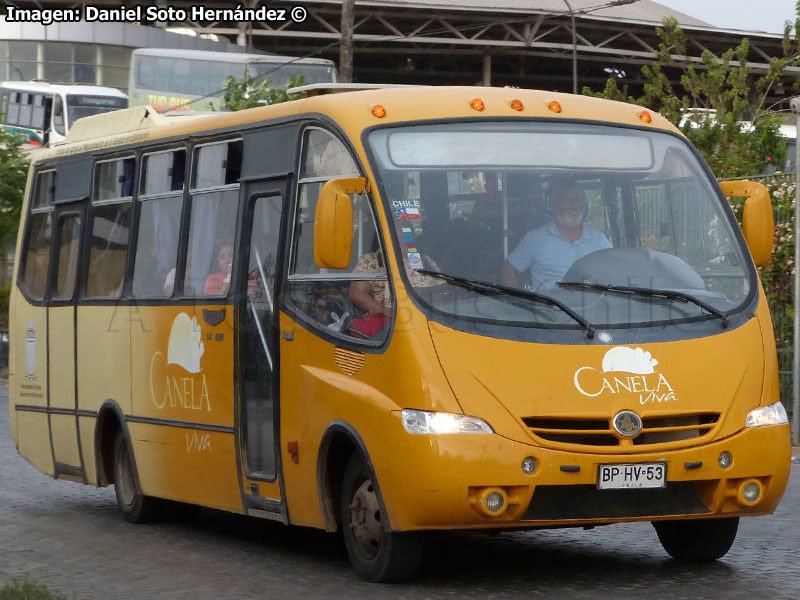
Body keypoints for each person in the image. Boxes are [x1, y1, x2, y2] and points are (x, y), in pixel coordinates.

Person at [501, 179, 611, 290]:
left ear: (583, 205)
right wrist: (518, 304)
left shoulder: (599, 240)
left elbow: (613, 274)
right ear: (554, 206)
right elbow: (507, 270)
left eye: (577, 200)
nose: (573, 206)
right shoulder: (535, 239)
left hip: (591, 306)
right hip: (549, 307)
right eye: (566, 201)